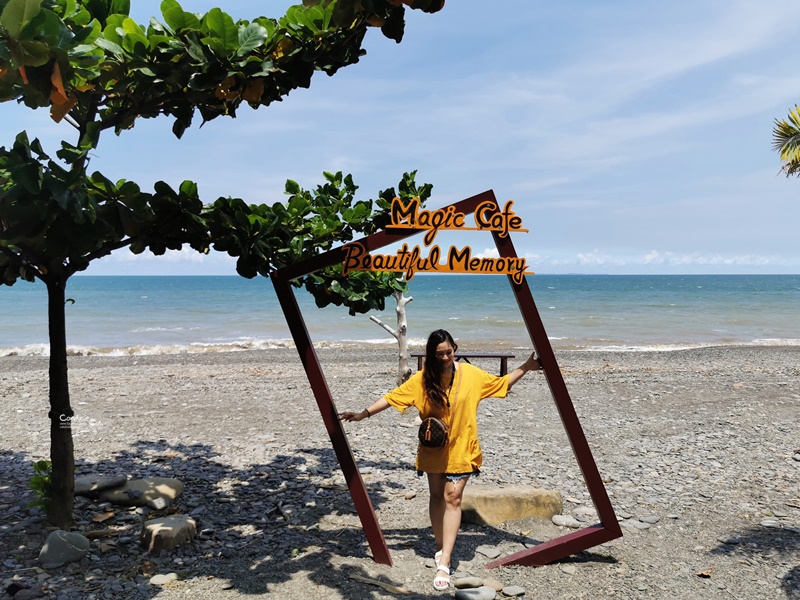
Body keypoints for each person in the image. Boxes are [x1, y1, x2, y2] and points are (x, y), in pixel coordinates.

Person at [339, 329, 542, 592]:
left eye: (449, 351)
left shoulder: (470, 374)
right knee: (436, 496)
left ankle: (444, 561)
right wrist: (362, 414)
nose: (446, 357)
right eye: (440, 354)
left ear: (454, 348)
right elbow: (392, 398)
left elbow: (499, 384)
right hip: (434, 450)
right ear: (431, 356)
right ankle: (440, 546)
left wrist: (525, 367)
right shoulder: (423, 380)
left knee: (453, 498)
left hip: (462, 449)